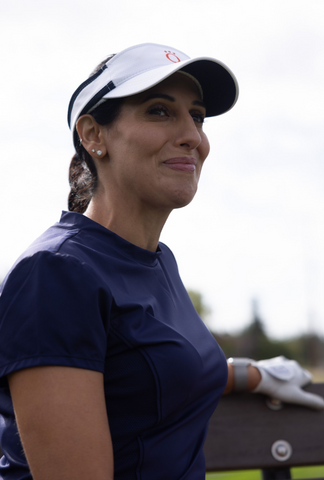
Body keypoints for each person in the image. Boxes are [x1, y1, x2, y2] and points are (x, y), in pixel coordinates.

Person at [0, 43, 323, 480]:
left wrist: (249, 373)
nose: (194, 136)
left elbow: (144, 369)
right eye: (159, 110)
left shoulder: (156, 261)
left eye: (198, 116)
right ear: (94, 135)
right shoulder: (54, 274)